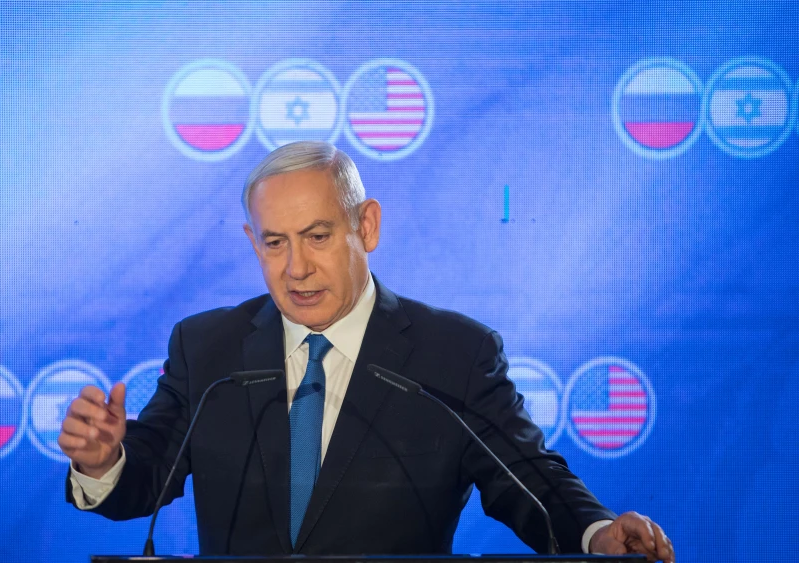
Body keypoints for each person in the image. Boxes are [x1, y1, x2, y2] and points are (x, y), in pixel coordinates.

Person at [59, 141, 674, 561]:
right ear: (253, 242)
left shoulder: (453, 352)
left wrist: (597, 535)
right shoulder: (209, 347)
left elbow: (530, 479)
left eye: (318, 236)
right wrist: (103, 460)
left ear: (367, 227)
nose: (296, 268)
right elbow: (148, 476)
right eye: (274, 243)